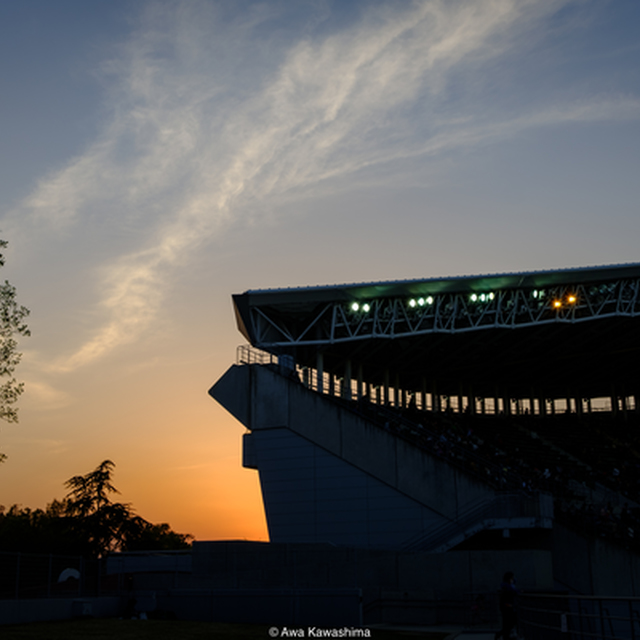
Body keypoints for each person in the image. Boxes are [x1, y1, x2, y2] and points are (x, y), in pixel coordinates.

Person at [495, 571, 518, 639]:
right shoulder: (506, 587)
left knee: (508, 622)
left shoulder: (506, 586)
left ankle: (504, 635)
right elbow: (511, 592)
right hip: (507, 606)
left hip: (506, 606)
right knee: (510, 621)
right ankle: (504, 635)